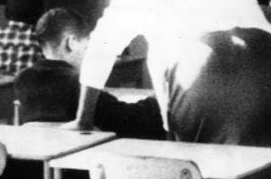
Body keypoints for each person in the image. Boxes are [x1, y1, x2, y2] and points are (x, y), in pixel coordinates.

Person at [67, 0, 271, 147]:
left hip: (201, 63)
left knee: (192, 163)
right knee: (253, 164)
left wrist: (83, 119)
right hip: (270, 60)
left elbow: (101, 47)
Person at [17, 8, 163, 138]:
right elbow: (131, 121)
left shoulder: (23, 79)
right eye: (87, 47)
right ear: (71, 42)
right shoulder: (79, 84)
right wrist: (159, 99)